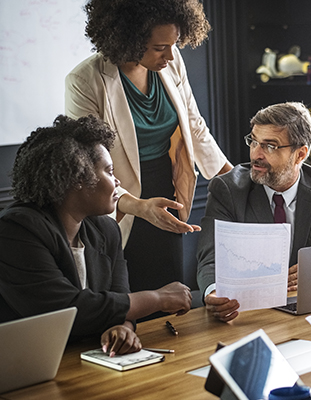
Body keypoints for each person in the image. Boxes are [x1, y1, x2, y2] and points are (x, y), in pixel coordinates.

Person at [65, 0, 233, 295]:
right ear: (128, 38)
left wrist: (234, 180)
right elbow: (87, 165)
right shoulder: (85, 80)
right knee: (129, 294)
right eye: (159, 48)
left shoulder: (172, 60)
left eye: (174, 44)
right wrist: (139, 206)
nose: (170, 55)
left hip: (164, 189)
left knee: (169, 289)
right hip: (114, 198)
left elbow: (195, 126)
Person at [0, 115, 192, 356]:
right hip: (27, 363)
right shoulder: (18, 230)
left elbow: (118, 300)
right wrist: (157, 299)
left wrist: (121, 328)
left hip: (88, 361)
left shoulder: (106, 229)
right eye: (109, 171)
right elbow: (66, 310)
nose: (117, 181)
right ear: (78, 178)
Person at [197, 102, 311, 322]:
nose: (257, 154)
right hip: (251, 315)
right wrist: (214, 292)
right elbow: (210, 257)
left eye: (270, 146)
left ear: (300, 154)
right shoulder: (227, 189)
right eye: (253, 141)